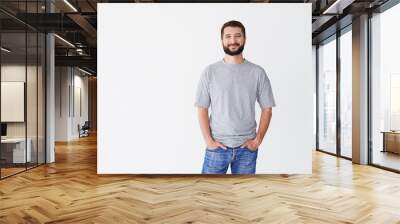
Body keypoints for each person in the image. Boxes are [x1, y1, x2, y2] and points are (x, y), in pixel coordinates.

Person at [194, 20, 276, 174]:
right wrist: (209, 141)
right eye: (228, 36)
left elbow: (267, 109)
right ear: (222, 40)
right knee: (209, 194)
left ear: (244, 39)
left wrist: (257, 141)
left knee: (244, 196)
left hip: (247, 149)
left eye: (237, 36)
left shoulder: (258, 72)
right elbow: (202, 108)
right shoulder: (210, 72)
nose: (233, 41)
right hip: (217, 148)